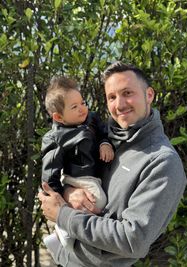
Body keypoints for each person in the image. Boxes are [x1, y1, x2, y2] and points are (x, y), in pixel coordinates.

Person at [38, 62, 187, 267]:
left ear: (149, 94)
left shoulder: (163, 163)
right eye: (112, 97)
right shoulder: (104, 136)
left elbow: (132, 239)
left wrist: (64, 215)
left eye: (128, 93)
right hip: (65, 258)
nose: (120, 104)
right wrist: (67, 191)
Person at [41, 76, 114, 262]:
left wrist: (105, 143)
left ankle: (69, 230)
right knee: (98, 202)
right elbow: (50, 172)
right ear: (58, 117)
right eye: (74, 107)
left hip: (93, 176)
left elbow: (103, 131)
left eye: (83, 102)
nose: (82, 108)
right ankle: (64, 231)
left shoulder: (91, 119)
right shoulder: (56, 138)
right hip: (78, 178)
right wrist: (56, 198)